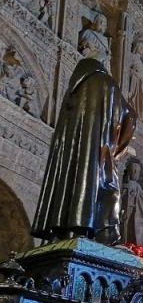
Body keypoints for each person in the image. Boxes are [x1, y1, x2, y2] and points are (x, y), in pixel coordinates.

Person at [31, 58, 136, 245]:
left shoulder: (75, 90)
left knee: (70, 182)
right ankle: (103, 234)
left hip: (73, 158)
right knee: (107, 190)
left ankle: (64, 227)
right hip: (100, 156)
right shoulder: (109, 85)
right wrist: (118, 147)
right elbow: (130, 118)